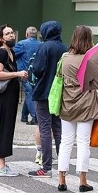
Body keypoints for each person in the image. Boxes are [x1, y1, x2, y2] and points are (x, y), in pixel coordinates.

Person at [56, 26, 98, 193]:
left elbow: (60, 79)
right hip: (86, 105)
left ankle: (62, 179)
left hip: (68, 104)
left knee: (65, 141)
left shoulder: (65, 58)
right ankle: (83, 180)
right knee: (83, 142)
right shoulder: (90, 59)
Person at [0, 25, 30, 177]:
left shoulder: (11, 52)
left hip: (7, 96)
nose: (11, 36)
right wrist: (17, 74)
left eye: (12, 33)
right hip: (4, 96)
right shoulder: (2, 52)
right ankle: (1, 166)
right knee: (4, 127)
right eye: (7, 34)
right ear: (1, 38)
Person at [28, 21, 67, 178]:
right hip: (59, 94)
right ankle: (62, 164)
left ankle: (46, 167)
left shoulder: (44, 47)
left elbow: (37, 69)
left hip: (43, 92)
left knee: (45, 128)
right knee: (58, 129)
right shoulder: (64, 48)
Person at [13, 26, 40, 124]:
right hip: (37, 73)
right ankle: (24, 116)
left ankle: (35, 117)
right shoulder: (41, 44)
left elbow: (12, 55)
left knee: (29, 93)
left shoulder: (21, 44)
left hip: (25, 73)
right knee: (30, 92)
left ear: (26, 34)